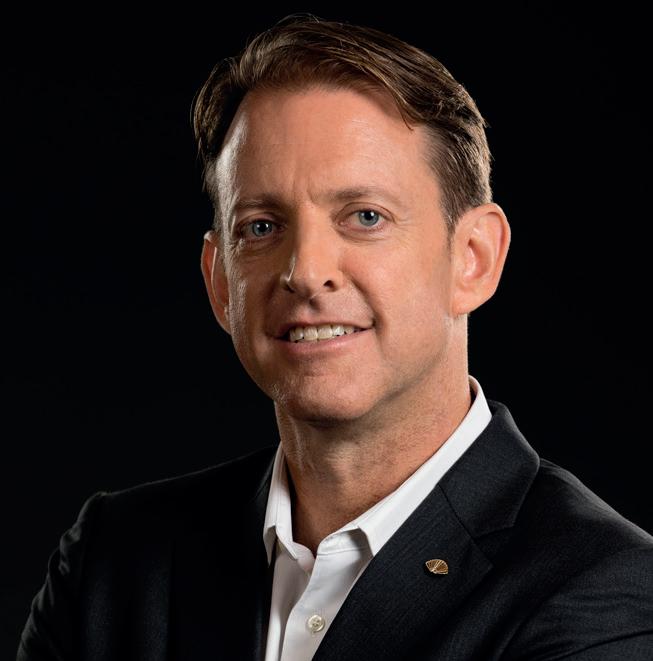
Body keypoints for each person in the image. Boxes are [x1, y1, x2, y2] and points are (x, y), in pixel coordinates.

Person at [17, 14, 653, 661]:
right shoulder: (113, 563)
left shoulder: (602, 591)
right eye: (261, 226)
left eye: (365, 216)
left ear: (473, 259)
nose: (304, 270)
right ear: (220, 282)